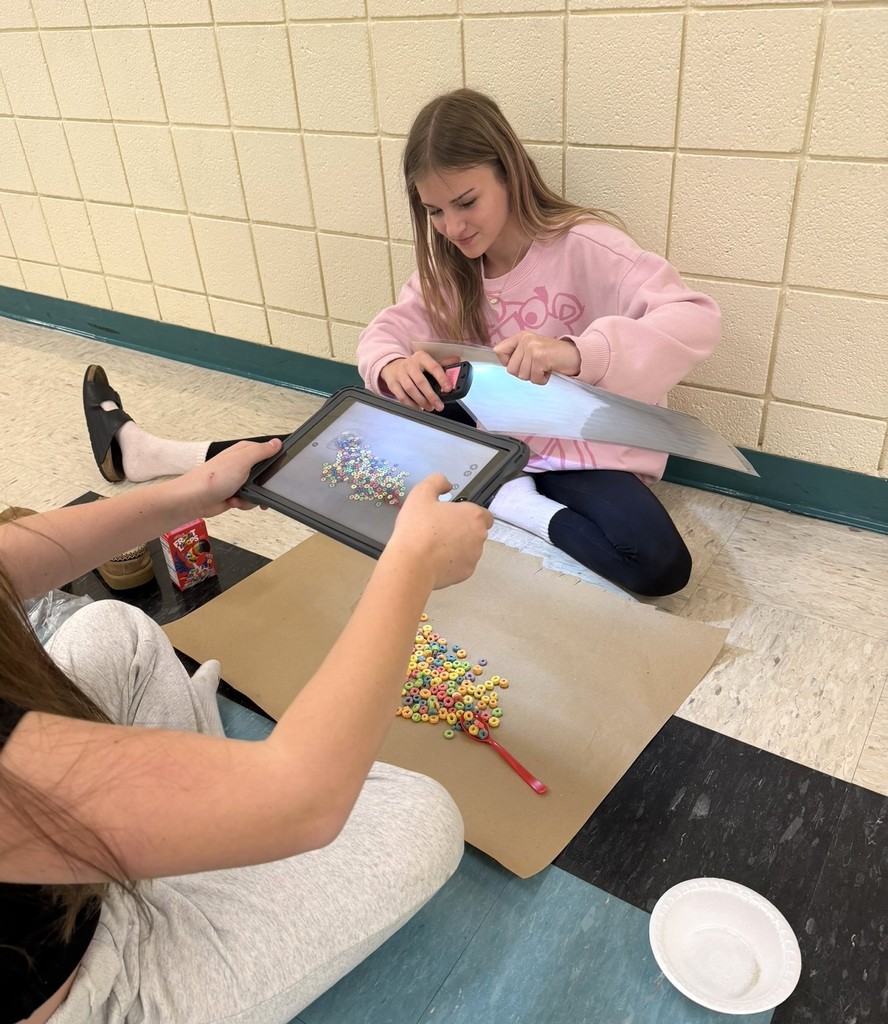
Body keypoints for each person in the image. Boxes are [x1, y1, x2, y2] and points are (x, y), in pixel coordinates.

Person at [84, 89, 720, 597]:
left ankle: (507, 500)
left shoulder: (588, 246)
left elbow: (694, 320)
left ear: (511, 173)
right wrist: (391, 364)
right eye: (435, 211)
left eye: (466, 202)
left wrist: (579, 353)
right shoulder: (448, 266)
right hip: (474, 436)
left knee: (659, 565)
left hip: (574, 456)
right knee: (324, 457)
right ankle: (145, 453)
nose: (453, 226)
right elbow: (386, 331)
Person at [0, 441, 491, 1023]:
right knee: (423, 814)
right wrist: (415, 564)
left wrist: (190, 489)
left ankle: (200, 838)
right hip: (97, 985)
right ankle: (218, 845)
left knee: (114, 631)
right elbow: (305, 800)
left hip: (49, 859)